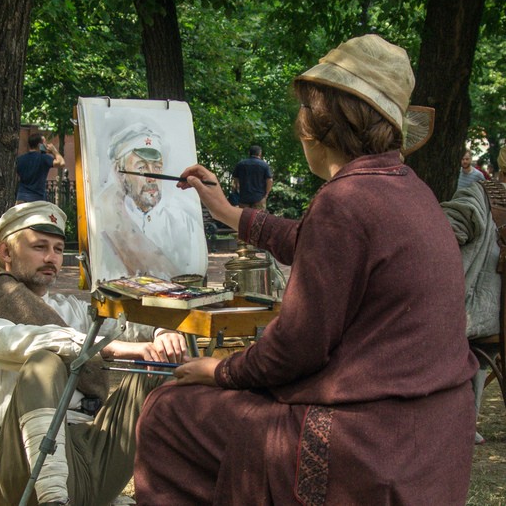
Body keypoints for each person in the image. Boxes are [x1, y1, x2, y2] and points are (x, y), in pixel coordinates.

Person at [133, 34, 479, 504]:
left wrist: (222, 371)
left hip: (367, 446)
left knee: (167, 412)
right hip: (433, 438)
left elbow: (294, 349)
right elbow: (315, 243)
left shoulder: (346, 202)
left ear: (317, 124)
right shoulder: (408, 191)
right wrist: (231, 214)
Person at [0, 201, 187, 505]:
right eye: (40, 247)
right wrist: (106, 347)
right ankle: (53, 498)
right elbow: (17, 340)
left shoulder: (68, 308)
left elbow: (125, 325)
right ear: (6, 253)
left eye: (59, 249)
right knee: (44, 363)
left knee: (162, 365)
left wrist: (161, 332)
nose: (51, 258)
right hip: (15, 465)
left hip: (90, 452)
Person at [441, 145, 506, 445]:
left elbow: (442, 229)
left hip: (485, 316)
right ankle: (463, 422)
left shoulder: (485, 194)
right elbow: (449, 226)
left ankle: (462, 422)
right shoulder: (483, 195)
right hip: (485, 317)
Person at [95, 122, 208, 281]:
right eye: (141, 167)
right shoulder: (103, 224)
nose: (152, 177)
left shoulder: (182, 222)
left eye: (157, 167)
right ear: (119, 173)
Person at [16, 133, 65, 203]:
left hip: (21, 197)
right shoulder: (44, 158)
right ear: (40, 145)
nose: (46, 145)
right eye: (45, 143)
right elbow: (61, 163)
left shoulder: (20, 159)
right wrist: (54, 151)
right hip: (37, 199)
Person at [231, 144, 273, 209]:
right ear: (260, 153)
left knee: (244, 218)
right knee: (258, 218)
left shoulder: (240, 164)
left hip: (243, 198)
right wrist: (266, 194)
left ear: (249, 153)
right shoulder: (264, 165)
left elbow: (235, 180)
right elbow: (269, 180)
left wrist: (236, 192)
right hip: (259, 198)